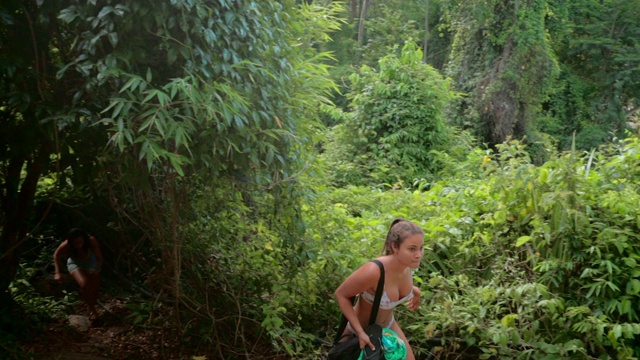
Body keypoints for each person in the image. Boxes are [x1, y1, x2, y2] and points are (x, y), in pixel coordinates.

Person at [334, 218, 424, 360]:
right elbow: (341, 294)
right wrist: (360, 332)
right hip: (361, 332)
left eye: (421, 248)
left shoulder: (406, 265)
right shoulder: (374, 270)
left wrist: (416, 292)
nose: (418, 255)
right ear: (395, 247)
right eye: (412, 249)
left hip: (388, 326)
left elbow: (392, 285)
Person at [53, 228, 104, 319]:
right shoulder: (66, 244)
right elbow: (56, 255)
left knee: (94, 291)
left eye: (80, 242)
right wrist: (57, 272)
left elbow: (99, 258)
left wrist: (96, 269)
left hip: (91, 263)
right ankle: (92, 310)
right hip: (75, 263)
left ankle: (90, 302)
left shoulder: (91, 241)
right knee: (84, 284)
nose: (78, 245)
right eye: (75, 243)